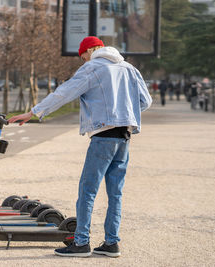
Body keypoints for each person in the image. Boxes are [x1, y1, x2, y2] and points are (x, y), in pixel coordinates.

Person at [8, 36, 152, 258]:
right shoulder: (129, 68)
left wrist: (33, 112)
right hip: (124, 136)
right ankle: (112, 243)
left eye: (83, 55)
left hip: (103, 135)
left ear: (91, 50)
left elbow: (64, 93)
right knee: (115, 193)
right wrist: (124, 111)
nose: (83, 60)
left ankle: (82, 242)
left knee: (87, 190)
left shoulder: (93, 67)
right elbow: (145, 101)